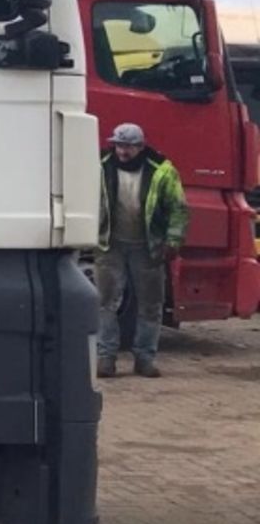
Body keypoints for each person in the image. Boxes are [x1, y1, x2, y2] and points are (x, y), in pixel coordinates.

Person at [95, 122, 188, 378]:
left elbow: (178, 208)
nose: (122, 151)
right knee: (105, 303)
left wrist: (172, 241)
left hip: (148, 248)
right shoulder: (99, 165)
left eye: (128, 146)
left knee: (150, 305)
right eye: (118, 145)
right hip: (109, 244)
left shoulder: (162, 171)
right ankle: (106, 359)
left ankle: (145, 359)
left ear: (140, 147)